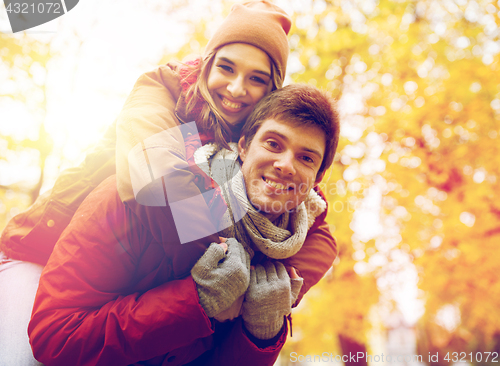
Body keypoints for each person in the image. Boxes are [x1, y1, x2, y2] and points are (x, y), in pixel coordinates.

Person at [0, 1, 337, 364]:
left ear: (270, 93)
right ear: (207, 63)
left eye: (257, 78)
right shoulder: (163, 94)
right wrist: (225, 261)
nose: (237, 89)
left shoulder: (253, 141)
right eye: (227, 68)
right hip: (43, 249)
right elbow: (155, 174)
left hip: (126, 279)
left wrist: (268, 303)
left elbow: (308, 207)